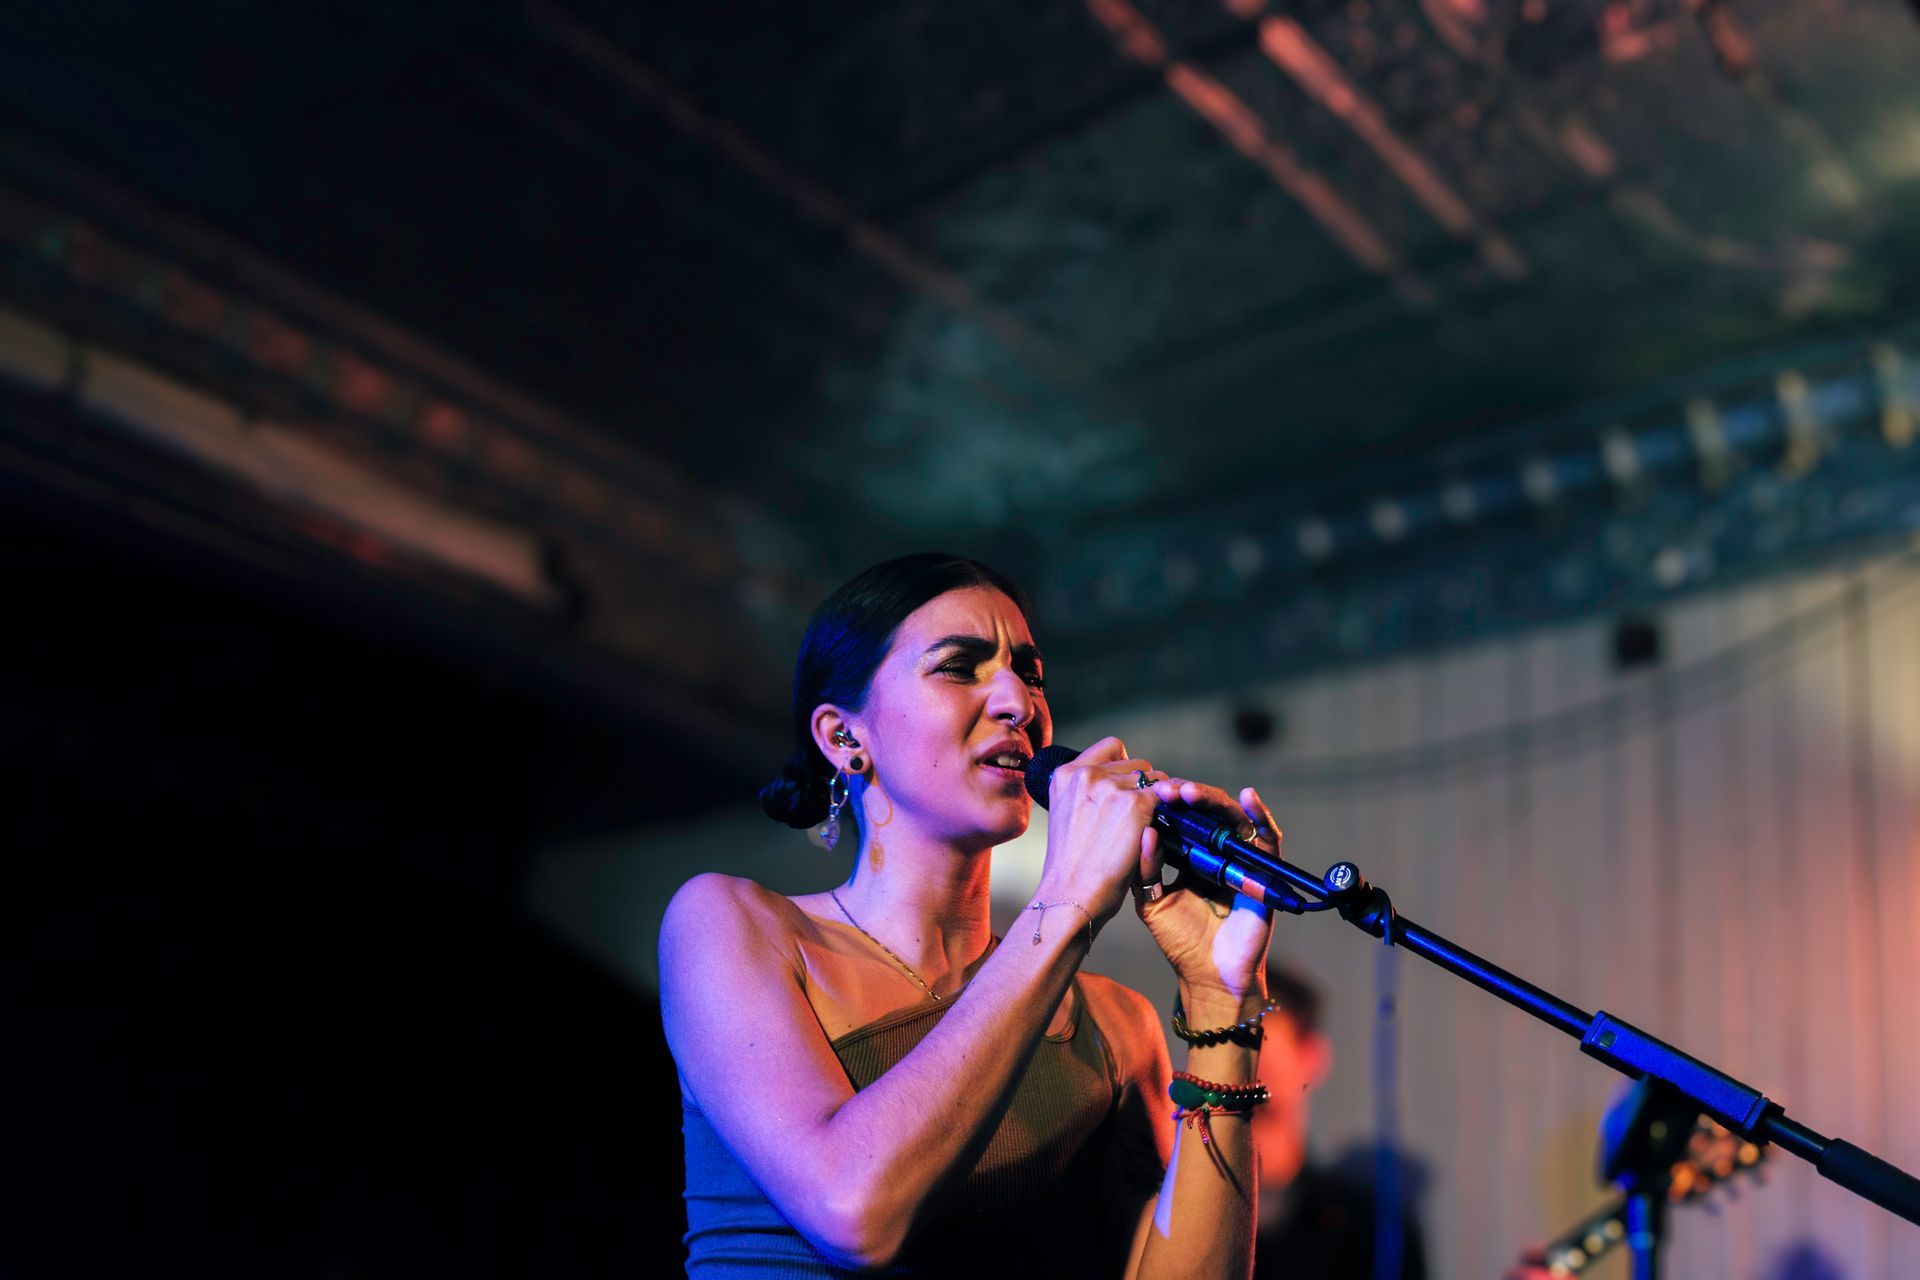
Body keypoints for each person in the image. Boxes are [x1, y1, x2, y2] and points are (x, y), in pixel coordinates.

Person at [660, 553, 1285, 1277]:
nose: (1020, 703)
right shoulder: (733, 926)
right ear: (843, 738)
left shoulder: (1115, 1030)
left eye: (1030, 673)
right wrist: (1073, 895)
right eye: (960, 667)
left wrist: (1220, 1004)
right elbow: (855, 1212)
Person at [1252, 963, 1428, 1280]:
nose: (1237, 1075)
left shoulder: (1371, 1229)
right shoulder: (1169, 1212)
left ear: (1312, 1057)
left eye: (1260, 1057)